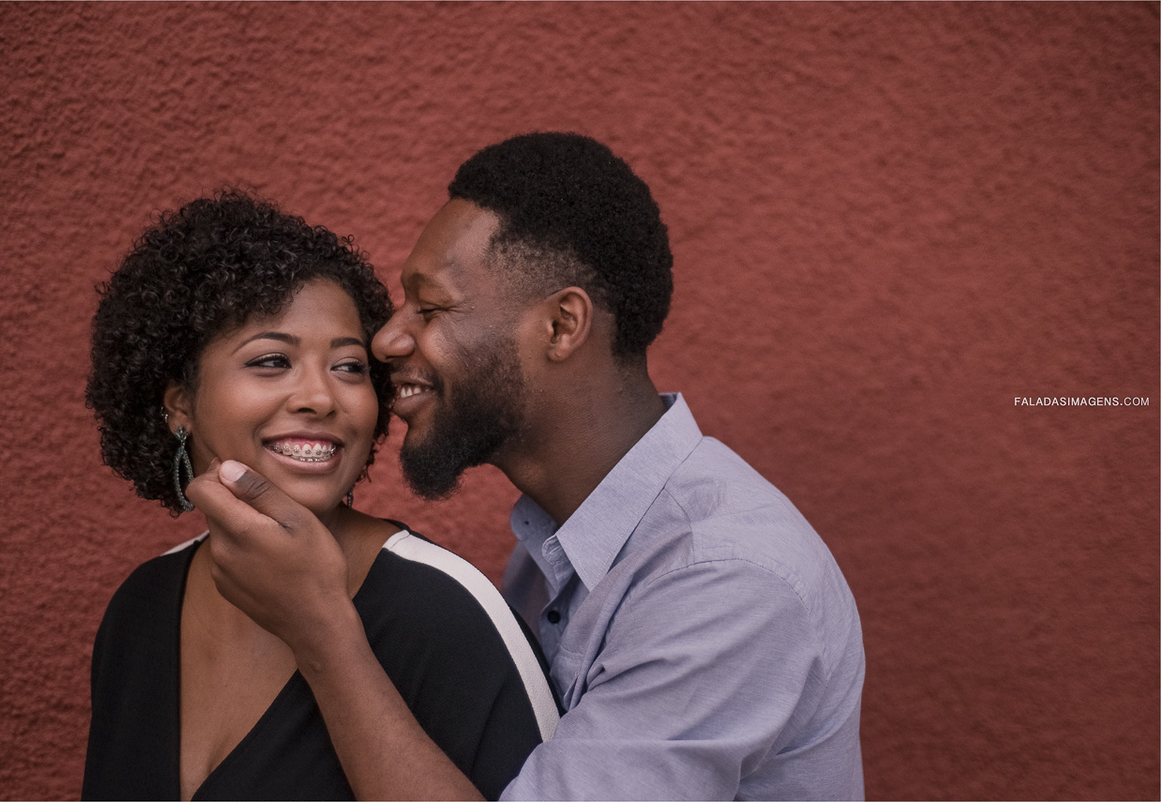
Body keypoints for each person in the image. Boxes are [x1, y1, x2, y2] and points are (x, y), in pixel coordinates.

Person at [190, 134, 866, 800]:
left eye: (430, 308)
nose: (387, 340)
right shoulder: (556, 548)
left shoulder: (723, 580)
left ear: (560, 327)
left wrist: (323, 636)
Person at [81, 190, 558, 801]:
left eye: (349, 367)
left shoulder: (444, 612)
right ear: (179, 403)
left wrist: (324, 633)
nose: (322, 398)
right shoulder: (141, 610)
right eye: (273, 360)